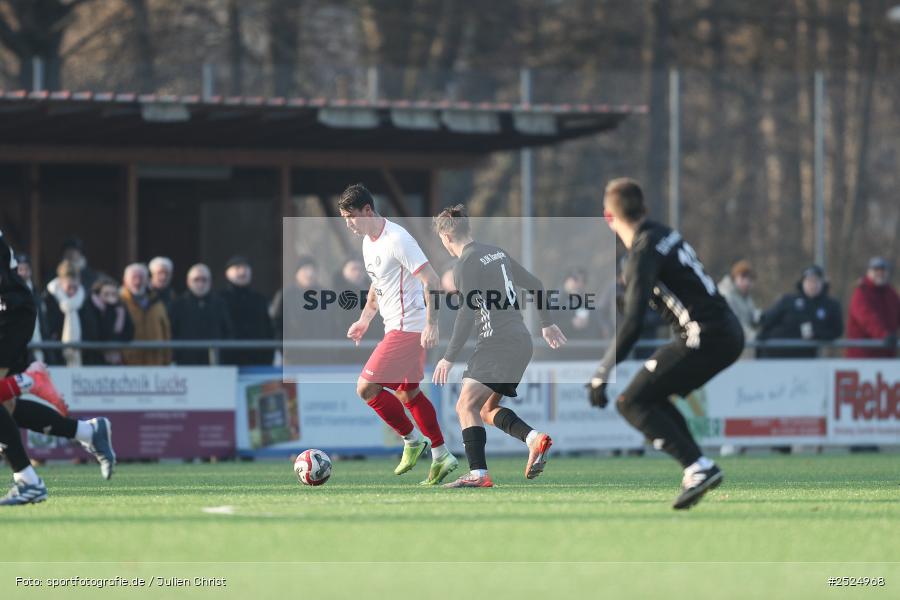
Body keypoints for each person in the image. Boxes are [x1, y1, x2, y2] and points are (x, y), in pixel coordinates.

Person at [586, 178, 744, 510]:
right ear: (644, 208)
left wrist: (602, 371)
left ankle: (698, 467)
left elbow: (633, 323)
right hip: (725, 330)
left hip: (705, 334)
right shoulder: (662, 233)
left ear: (608, 217)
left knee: (631, 402)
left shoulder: (641, 253)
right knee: (650, 397)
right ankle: (697, 467)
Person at [431, 205, 567, 488]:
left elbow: (466, 313)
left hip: (497, 343)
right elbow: (536, 284)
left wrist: (448, 357)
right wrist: (547, 322)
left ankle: (478, 474)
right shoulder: (496, 253)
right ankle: (534, 439)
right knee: (485, 410)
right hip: (520, 340)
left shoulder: (465, 263)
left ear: (445, 237)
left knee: (465, 405)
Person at [338, 184, 458, 485]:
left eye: (351, 216)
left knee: (366, 387)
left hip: (409, 328)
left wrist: (432, 323)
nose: (348, 224)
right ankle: (442, 454)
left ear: (368, 210)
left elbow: (430, 280)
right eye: (343, 218)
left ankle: (412, 441)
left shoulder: (398, 239)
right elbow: (378, 286)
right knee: (408, 393)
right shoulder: (369, 242)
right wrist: (364, 320)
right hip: (397, 326)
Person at [0, 230, 112, 504]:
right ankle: (87, 432)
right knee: (7, 406)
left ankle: (28, 481)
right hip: (12, 311)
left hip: (8, 312)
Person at [757, 265, 843, 359]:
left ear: (822, 282)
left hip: (804, 359)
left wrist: (816, 334)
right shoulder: (788, 300)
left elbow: (836, 331)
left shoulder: (831, 305)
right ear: (802, 282)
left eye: (816, 281)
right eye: (809, 280)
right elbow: (767, 319)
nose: (812, 285)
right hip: (773, 356)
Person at [170, 264, 233, 365]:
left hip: (214, 362)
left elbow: (227, 331)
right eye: (196, 280)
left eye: (204, 280)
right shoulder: (178, 304)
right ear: (188, 281)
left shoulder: (219, 304)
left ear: (210, 282)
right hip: (186, 362)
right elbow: (172, 332)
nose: (200, 283)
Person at [219, 256, 274, 366]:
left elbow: (268, 329)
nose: (242, 272)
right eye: (237, 268)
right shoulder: (220, 300)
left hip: (258, 361)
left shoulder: (260, 299)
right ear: (227, 273)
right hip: (229, 362)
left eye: (245, 268)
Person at [846, 257, 899, 359]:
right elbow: (867, 319)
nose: (880, 274)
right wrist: (884, 335)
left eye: (883, 271)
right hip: (864, 356)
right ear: (869, 272)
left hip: (886, 355)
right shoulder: (861, 293)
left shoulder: (891, 293)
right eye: (876, 270)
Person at [120, 263, 172, 366]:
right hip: (128, 365)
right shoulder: (119, 303)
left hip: (156, 363)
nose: (137, 281)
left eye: (141, 277)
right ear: (125, 281)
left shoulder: (157, 303)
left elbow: (166, 332)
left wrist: (167, 359)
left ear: (148, 280)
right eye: (134, 277)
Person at [43, 260, 88, 367]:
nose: (72, 291)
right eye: (69, 287)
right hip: (55, 352)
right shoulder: (48, 298)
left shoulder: (84, 297)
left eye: (75, 287)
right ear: (60, 282)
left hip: (81, 353)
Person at [81, 275, 134, 366]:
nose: (110, 298)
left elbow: (129, 333)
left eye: (113, 294)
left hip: (115, 358)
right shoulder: (89, 308)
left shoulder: (120, 308)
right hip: (92, 359)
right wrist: (108, 311)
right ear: (98, 294)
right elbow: (96, 334)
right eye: (106, 294)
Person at [717, 260, 761, 357]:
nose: (747, 282)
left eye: (750, 279)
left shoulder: (746, 297)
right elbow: (734, 324)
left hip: (744, 346)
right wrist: (756, 336)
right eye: (743, 277)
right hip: (731, 347)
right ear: (735, 277)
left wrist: (759, 318)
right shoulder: (726, 295)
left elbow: (751, 316)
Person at [14, 253, 48, 364]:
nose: (23, 272)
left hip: (36, 343)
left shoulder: (36, 294)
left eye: (26, 269)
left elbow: (43, 323)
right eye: (20, 269)